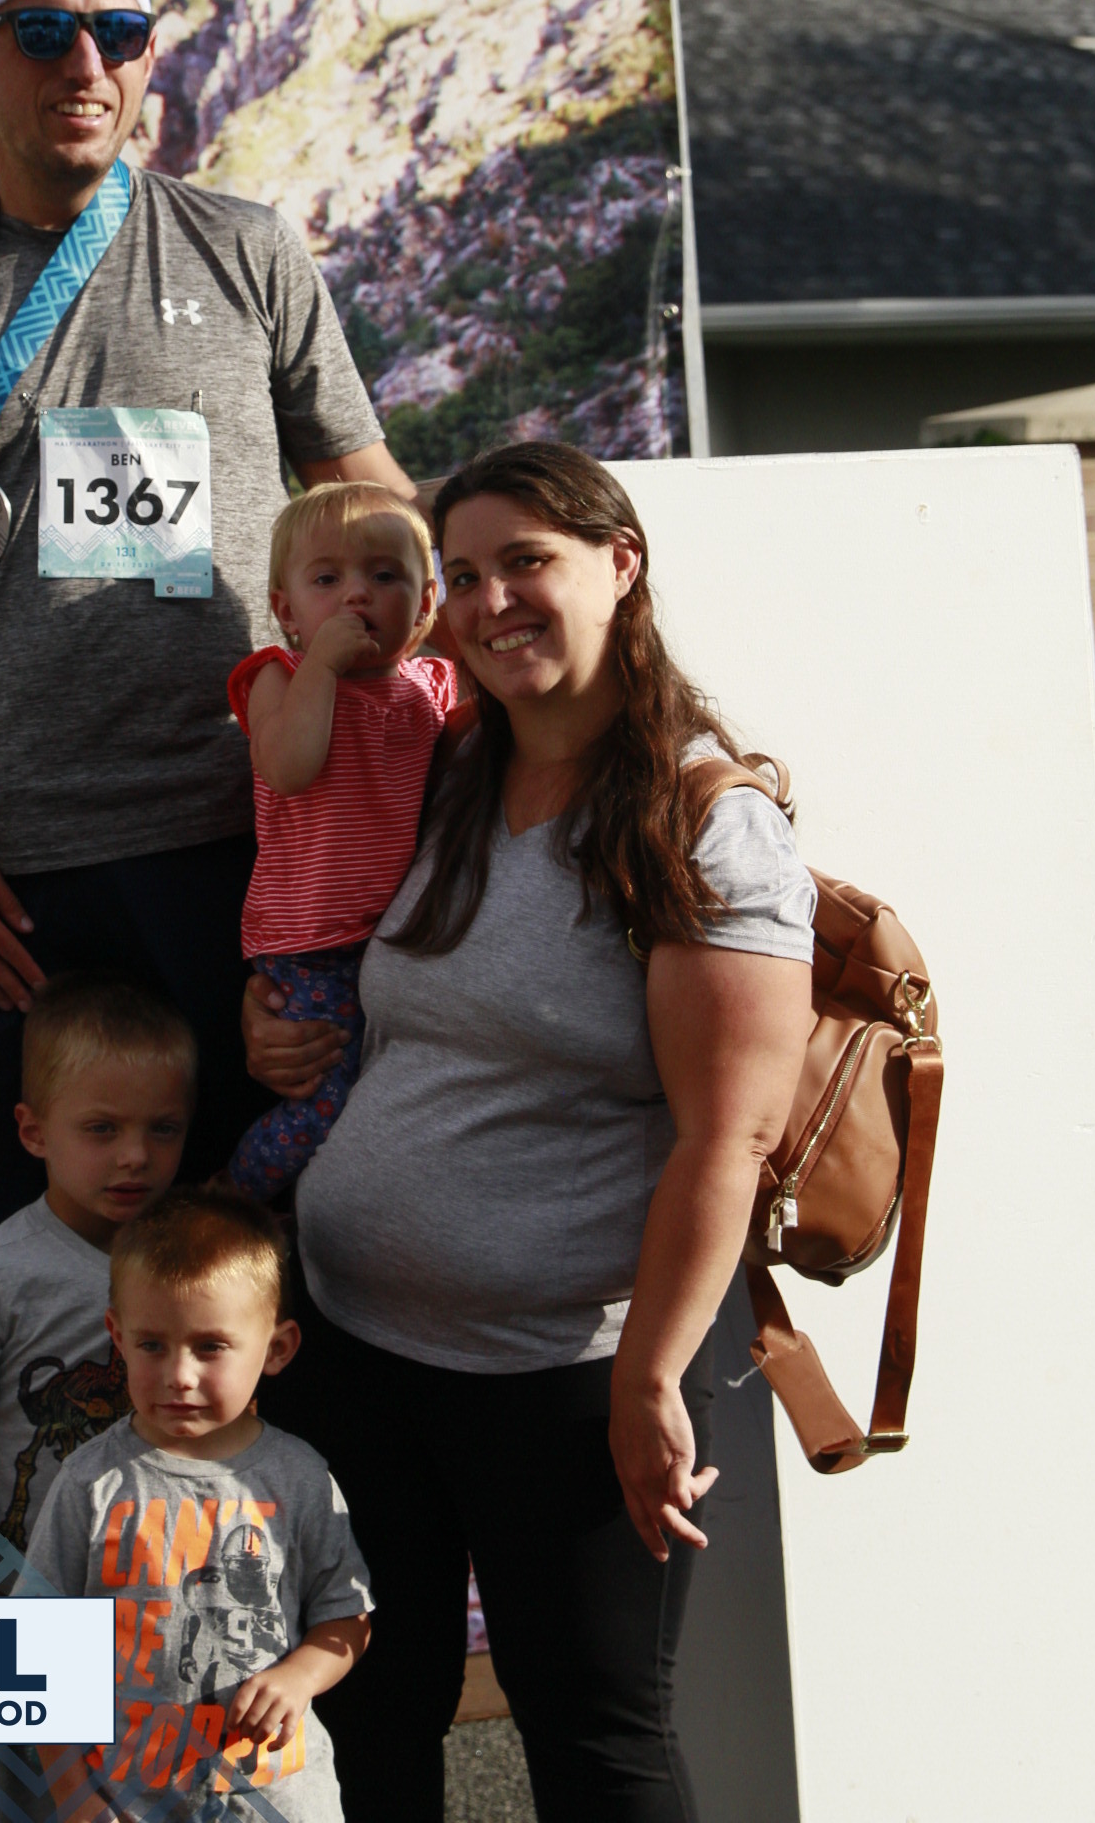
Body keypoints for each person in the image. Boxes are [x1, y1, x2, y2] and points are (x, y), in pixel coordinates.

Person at [0, 0, 415, 1242]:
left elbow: (378, 508)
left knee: (246, 1273)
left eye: (119, 34)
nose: (85, 63)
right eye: (43, 33)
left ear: (148, 59)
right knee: (44, 1288)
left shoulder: (247, 252)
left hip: (237, 859)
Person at [245, 442, 817, 1823]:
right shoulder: (453, 770)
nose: (490, 601)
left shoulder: (702, 823)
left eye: (527, 563)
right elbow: (389, 989)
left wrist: (654, 1379)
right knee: (374, 1717)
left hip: (561, 1379)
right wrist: (269, 1029)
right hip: (359, 1353)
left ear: (621, 565)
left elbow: (727, 1139)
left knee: (595, 1743)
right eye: (464, 575)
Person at [26, 1189, 372, 1822]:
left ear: (276, 1349)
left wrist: (299, 1676)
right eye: (152, 1345)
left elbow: (347, 1616)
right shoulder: (90, 1483)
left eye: (210, 1346)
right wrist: (73, 1795)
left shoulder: (300, 1476)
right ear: (117, 1337)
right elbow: (40, 1650)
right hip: (127, 1802)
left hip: (279, 1803)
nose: (179, 1374)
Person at [0, 975, 195, 1586]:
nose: (136, 1155)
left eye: (163, 1128)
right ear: (34, 1131)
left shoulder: (200, 1266)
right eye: (102, 1129)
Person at [225, 482, 460, 1199]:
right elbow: (288, 768)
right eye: (327, 580)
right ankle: (234, 1200)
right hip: (311, 937)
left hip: (399, 937)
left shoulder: (432, 685)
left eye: (384, 576)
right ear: (286, 611)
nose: (357, 595)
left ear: (424, 604)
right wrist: (323, 667)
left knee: (390, 1097)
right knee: (324, 1104)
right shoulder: (281, 675)